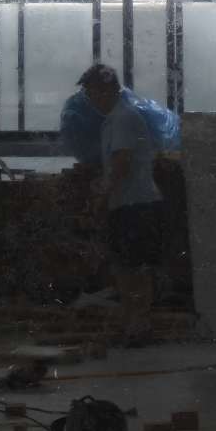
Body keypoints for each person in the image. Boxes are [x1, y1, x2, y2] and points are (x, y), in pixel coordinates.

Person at [77, 63, 162, 344]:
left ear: (107, 90)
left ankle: (139, 327)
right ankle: (132, 324)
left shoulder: (123, 118)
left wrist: (102, 195)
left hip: (134, 204)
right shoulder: (114, 120)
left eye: (92, 92)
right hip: (127, 203)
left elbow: (121, 162)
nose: (90, 99)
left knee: (133, 269)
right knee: (126, 268)